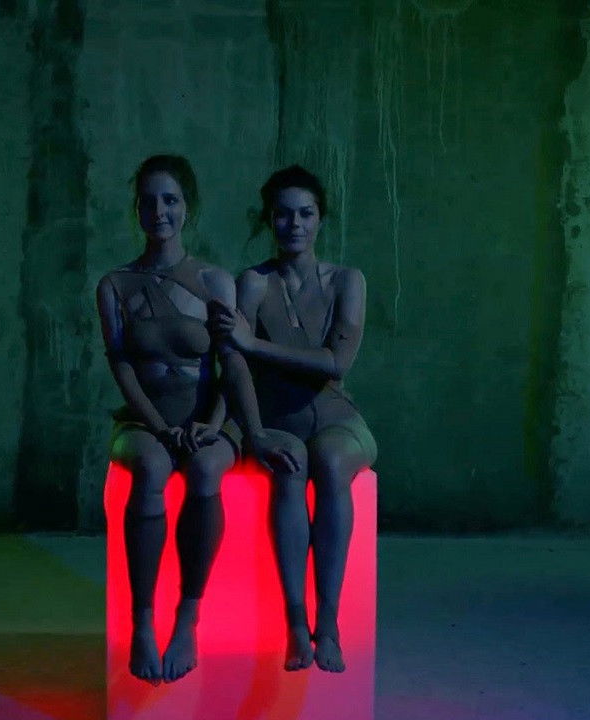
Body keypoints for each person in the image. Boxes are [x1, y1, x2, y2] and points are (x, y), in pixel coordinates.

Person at [212, 165, 377, 673]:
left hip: (336, 418)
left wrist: (255, 343)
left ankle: (328, 623)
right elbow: (231, 360)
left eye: (305, 214)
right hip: (277, 416)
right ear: (269, 219)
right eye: (283, 214)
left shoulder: (348, 280)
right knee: (289, 464)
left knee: (330, 460)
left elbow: (337, 363)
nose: (295, 224)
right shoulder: (253, 282)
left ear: (321, 218)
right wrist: (251, 430)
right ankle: (296, 624)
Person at [96, 154, 239, 684]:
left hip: (209, 420)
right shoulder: (115, 284)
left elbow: (232, 364)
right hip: (142, 421)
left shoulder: (215, 280)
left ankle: (187, 617)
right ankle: (142, 622)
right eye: (149, 201)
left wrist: (215, 423)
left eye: (171, 200)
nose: (160, 211)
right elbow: (122, 366)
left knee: (204, 470)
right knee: (152, 469)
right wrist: (156, 425)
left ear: (188, 207)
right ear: (136, 209)